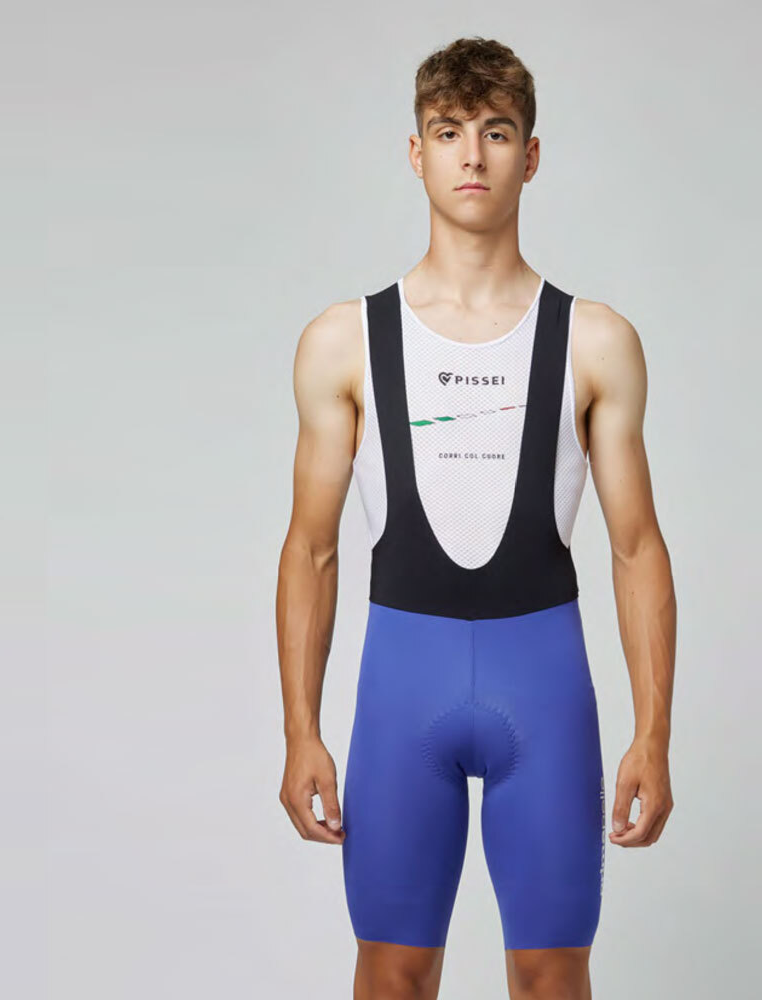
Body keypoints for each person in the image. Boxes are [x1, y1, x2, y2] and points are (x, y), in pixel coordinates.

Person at [276, 36, 677, 1000]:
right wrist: (300, 731)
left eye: (496, 133)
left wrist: (654, 735)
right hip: (400, 691)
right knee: (393, 972)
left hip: (543, 689)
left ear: (529, 157)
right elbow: (312, 548)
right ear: (416, 153)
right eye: (448, 132)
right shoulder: (343, 341)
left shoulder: (595, 341)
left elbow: (636, 548)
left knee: (550, 976)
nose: (472, 155)